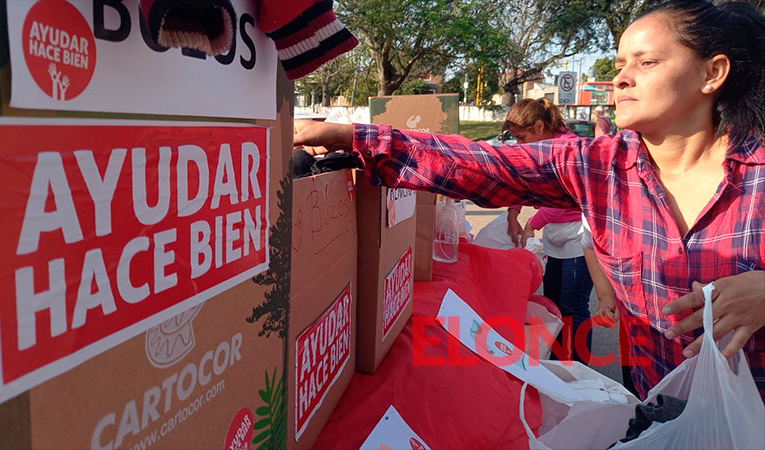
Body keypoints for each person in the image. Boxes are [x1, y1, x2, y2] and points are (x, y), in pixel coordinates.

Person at [294, 0, 765, 401]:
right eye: (619, 64)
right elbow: (480, 165)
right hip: (661, 409)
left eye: (646, 63)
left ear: (712, 73)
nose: (620, 79)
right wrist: (353, 138)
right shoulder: (597, 166)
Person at [499, 98, 595, 364]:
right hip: (556, 237)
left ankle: (576, 368)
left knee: (573, 307)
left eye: (522, 138)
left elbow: (568, 199)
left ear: (539, 126)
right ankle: (556, 360)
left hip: (579, 236)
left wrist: (532, 223)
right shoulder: (538, 148)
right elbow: (522, 180)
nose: (519, 145)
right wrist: (512, 212)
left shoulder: (570, 149)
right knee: (552, 305)